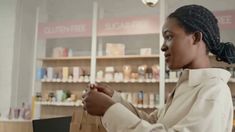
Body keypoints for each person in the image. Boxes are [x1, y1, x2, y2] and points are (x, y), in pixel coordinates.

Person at [83, 4, 235, 132]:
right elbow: (154, 122)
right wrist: (115, 100)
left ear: (195, 38)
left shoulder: (215, 91)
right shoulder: (186, 87)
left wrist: (109, 110)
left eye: (169, 37)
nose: (163, 46)